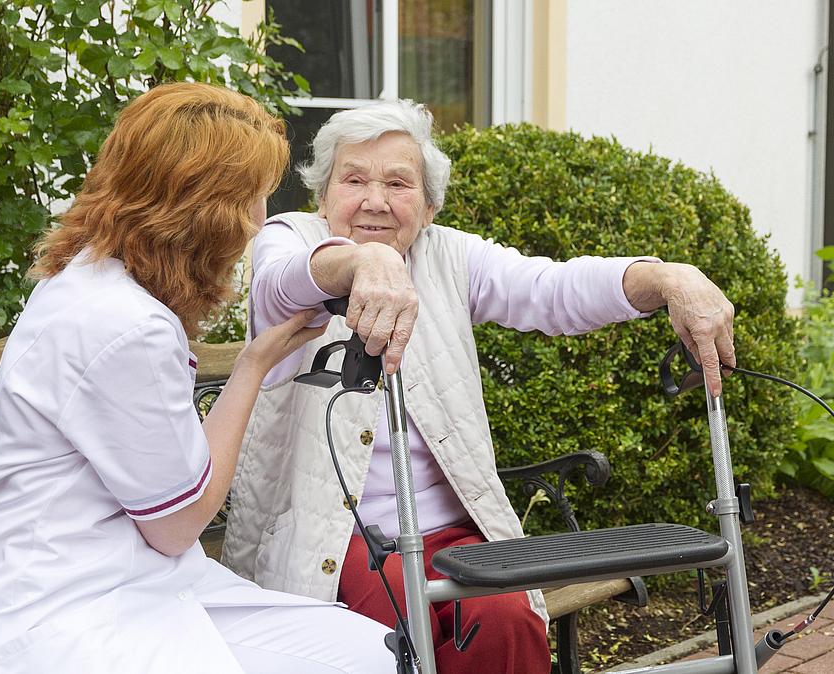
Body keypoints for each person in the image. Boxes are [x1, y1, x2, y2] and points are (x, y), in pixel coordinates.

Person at [221, 99, 736, 673]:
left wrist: (667, 277)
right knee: (389, 635)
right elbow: (281, 283)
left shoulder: (448, 255)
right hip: (334, 542)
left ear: (429, 204)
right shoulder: (290, 238)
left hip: (452, 537)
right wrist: (361, 263)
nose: (374, 200)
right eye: (354, 179)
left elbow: (553, 289)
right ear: (323, 194)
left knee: (505, 619)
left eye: (398, 182)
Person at [0, 83, 393, 674]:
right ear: (202, 207)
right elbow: (179, 525)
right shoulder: (125, 324)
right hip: (64, 614)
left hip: (138, 584)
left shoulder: (93, 281)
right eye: (253, 199)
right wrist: (252, 368)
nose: (260, 223)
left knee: (374, 653)